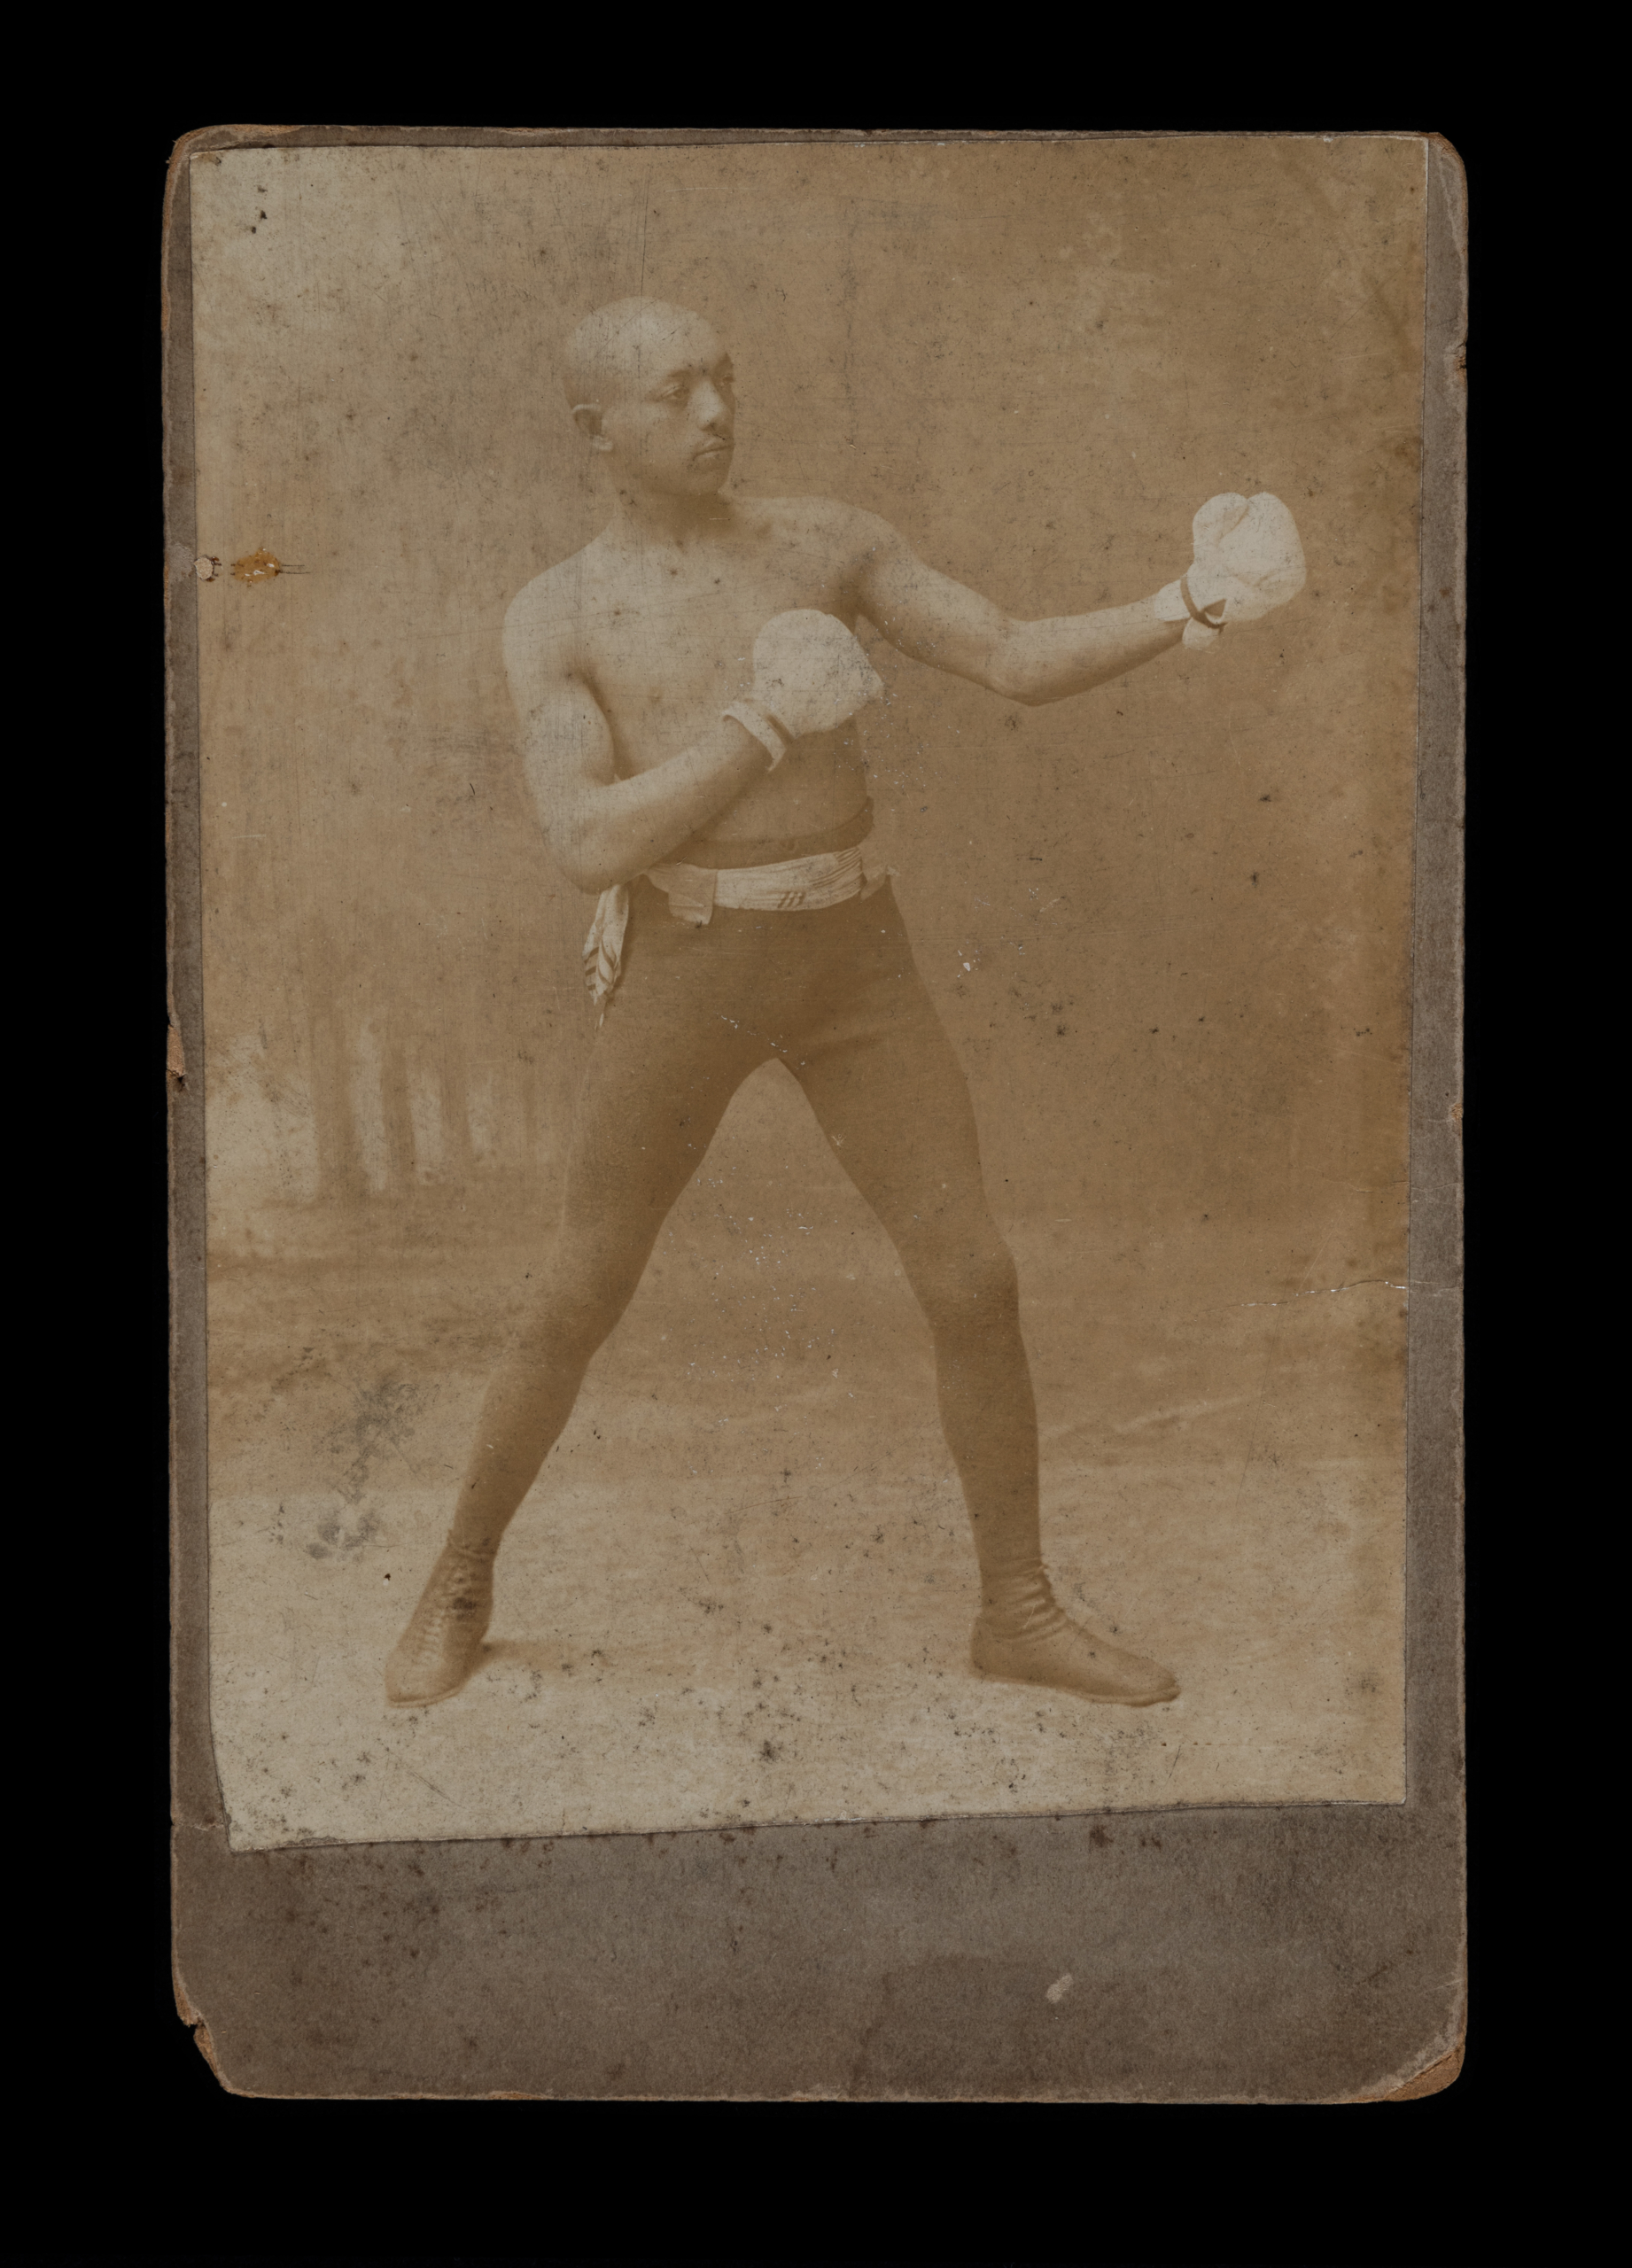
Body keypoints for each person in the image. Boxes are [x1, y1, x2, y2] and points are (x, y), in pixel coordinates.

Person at [385, 296, 1304, 1712]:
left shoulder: (823, 541)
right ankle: (455, 1582)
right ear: (595, 429)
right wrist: (758, 726)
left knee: (972, 1277)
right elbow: (584, 841)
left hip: (848, 962)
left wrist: (1187, 608)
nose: (713, 413)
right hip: (688, 967)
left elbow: (1004, 653)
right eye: (675, 391)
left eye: (723, 381)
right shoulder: (557, 611)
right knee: (579, 1289)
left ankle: (1018, 1608)